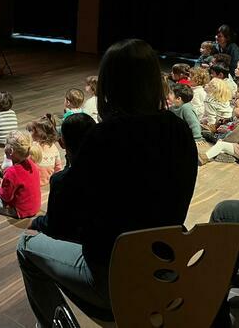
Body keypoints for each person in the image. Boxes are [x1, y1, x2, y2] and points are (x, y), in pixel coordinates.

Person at [16, 39, 197, 327]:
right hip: (165, 267)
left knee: (26, 245)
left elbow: (62, 225)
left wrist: (38, 225)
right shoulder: (179, 131)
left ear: (109, 85)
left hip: (114, 278)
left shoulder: (103, 138)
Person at [198, 96, 239, 165]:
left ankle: (204, 158)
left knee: (221, 145)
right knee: (221, 145)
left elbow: (234, 138)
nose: (233, 108)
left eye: (236, 106)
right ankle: (224, 154)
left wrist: (221, 141)